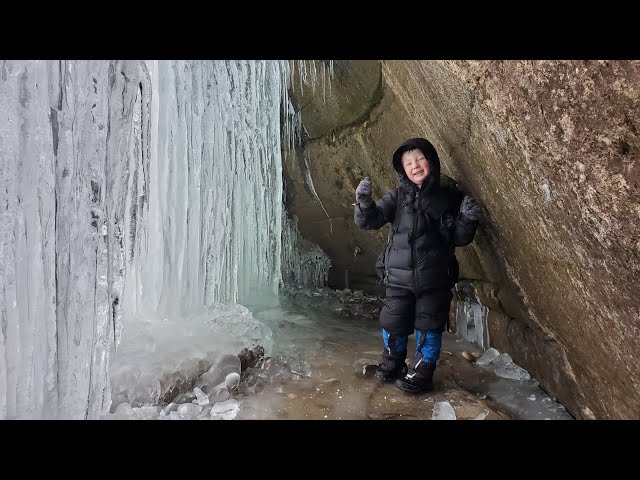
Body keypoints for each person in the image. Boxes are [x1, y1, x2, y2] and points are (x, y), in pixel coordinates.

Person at [354, 137, 481, 393]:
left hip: (435, 279)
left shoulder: (447, 198)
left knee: (429, 326)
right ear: (402, 169)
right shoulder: (398, 197)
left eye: (420, 159)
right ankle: (393, 362)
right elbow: (371, 221)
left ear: (431, 161)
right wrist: (364, 203)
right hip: (399, 278)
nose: (415, 166)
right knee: (393, 322)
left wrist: (467, 219)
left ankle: (421, 372)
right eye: (408, 162)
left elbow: (458, 237)